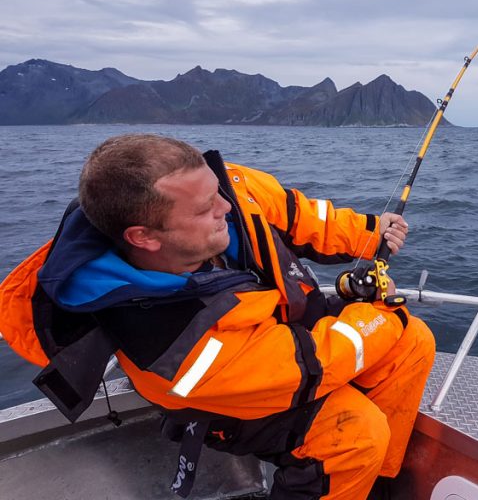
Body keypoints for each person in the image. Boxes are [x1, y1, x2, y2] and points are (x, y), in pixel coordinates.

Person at [0, 134, 436, 500]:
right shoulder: (165, 339)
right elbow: (307, 366)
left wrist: (369, 231)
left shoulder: (222, 191)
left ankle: (373, 487)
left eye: (219, 193)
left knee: (415, 343)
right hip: (227, 396)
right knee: (356, 436)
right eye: (206, 207)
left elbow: (298, 213)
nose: (226, 207)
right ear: (144, 237)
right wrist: (380, 312)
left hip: (274, 336)